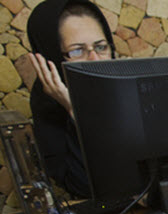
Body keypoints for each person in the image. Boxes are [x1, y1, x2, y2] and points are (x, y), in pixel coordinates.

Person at [26, 0, 115, 198]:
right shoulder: (48, 105)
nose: (95, 59)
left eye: (101, 47)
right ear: (52, 57)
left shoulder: (124, 87)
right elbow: (82, 186)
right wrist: (74, 110)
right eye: (77, 51)